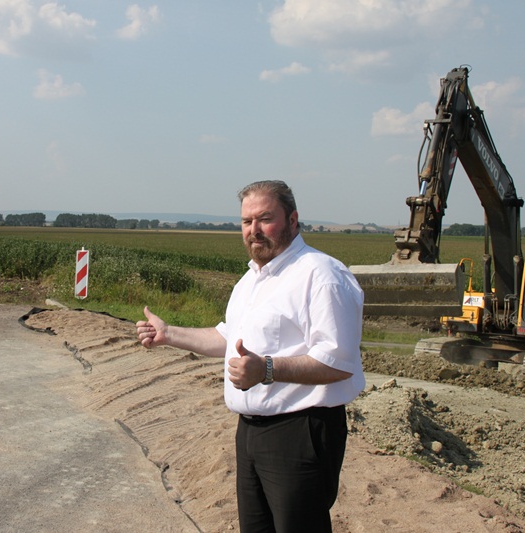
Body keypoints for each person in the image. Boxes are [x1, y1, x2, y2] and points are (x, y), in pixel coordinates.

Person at [136, 180, 365, 532]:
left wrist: (267, 369)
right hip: (251, 433)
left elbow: (338, 362)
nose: (254, 230)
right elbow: (228, 338)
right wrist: (170, 335)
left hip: (301, 431)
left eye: (264, 218)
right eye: (246, 222)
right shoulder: (250, 281)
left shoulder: (321, 275)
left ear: (292, 219)